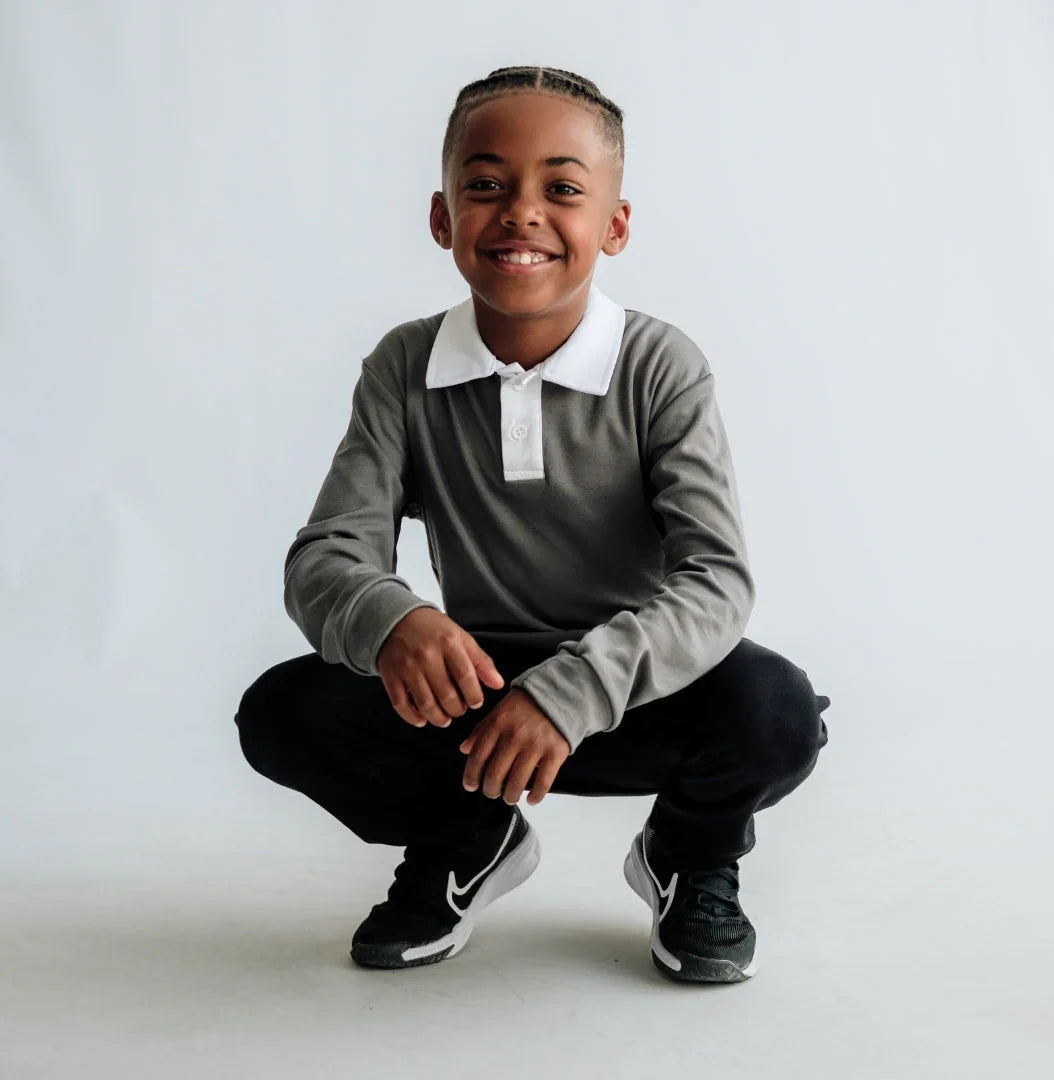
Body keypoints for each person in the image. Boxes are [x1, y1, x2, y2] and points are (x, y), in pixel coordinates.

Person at [233, 65, 832, 984]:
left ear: (614, 226)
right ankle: (468, 838)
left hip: (630, 690)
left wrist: (574, 689)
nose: (521, 212)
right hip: (475, 701)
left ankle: (689, 853)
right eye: (486, 185)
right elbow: (328, 554)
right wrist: (393, 619)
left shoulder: (660, 366)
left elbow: (716, 581)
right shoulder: (404, 367)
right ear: (442, 217)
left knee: (777, 712)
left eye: (562, 189)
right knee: (284, 712)